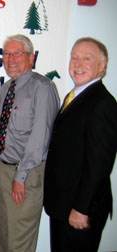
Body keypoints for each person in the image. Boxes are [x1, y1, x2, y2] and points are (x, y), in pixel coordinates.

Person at [44, 37, 117, 252]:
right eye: (74, 57)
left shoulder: (103, 104)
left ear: (102, 66)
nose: (77, 63)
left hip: (79, 210)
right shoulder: (74, 96)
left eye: (87, 59)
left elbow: (99, 166)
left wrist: (81, 209)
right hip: (63, 205)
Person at [0, 34, 60, 252]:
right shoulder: (4, 89)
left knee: (19, 242)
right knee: (0, 236)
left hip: (25, 175)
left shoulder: (43, 88)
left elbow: (40, 138)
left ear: (31, 58)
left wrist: (20, 177)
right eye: (7, 54)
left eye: (17, 53)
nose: (10, 59)